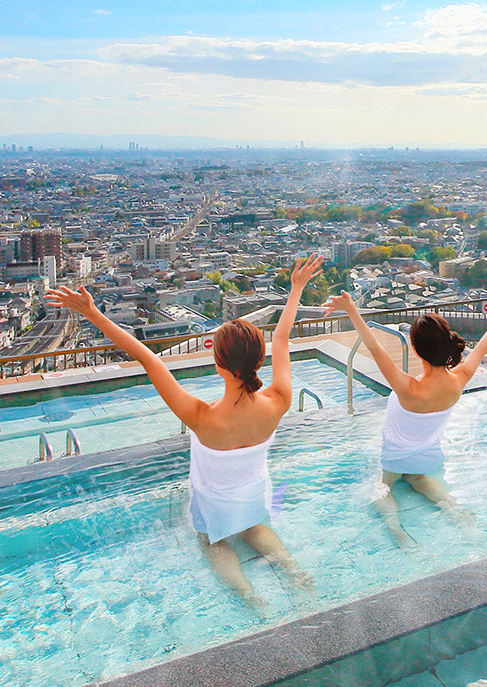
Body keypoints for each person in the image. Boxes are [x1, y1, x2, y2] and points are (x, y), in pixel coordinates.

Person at [45, 256, 326, 610]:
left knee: (213, 542)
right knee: (254, 528)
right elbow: (282, 335)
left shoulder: (200, 416)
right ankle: (292, 571)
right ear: (258, 360)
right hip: (254, 494)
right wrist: (296, 288)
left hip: (214, 504)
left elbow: (148, 358)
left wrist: (92, 313)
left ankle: (251, 598)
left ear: (219, 363)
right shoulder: (279, 400)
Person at [326, 289, 487, 547]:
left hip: (395, 458)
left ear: (415, 349)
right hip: (428, 457)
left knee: (381, 488)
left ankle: (397, 531)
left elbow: (374, 347)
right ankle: (454, 510)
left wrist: (351, 309)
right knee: (419, 478)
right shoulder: (460, 378)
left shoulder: (408, 388)